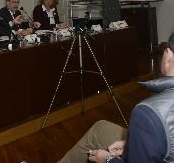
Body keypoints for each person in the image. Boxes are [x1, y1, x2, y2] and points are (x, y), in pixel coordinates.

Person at [58, 33, 174, 163]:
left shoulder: (149, 113)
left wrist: (108, 160)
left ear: (168, 55)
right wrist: (130, 145)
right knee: (100, 128)